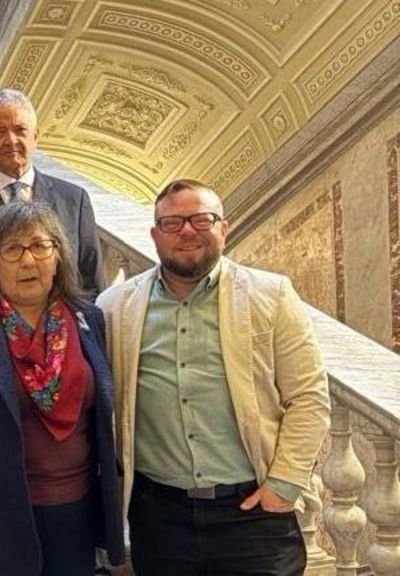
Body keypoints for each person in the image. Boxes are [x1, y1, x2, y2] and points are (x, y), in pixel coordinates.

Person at [97, 179, 331, 575]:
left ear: (224, 228)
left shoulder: (271, 295)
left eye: (201, 220)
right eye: (172, 223)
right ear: (155, 234)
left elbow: (308, 396)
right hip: (160, 520)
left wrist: (283, 485)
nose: (187, 231)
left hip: (253, 515)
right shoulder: (115, 307)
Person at [0, 201, 125, 576]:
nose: (28, 260)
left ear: (58, 257)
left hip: (79, 512)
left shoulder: (89, 319)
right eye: (12, 249)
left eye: (40, 246)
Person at [0, 89, 103, 309]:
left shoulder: (74, 201)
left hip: (62, 327)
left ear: (35, 137)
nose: (11, 140)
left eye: (20, 130)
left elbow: (91, 287)